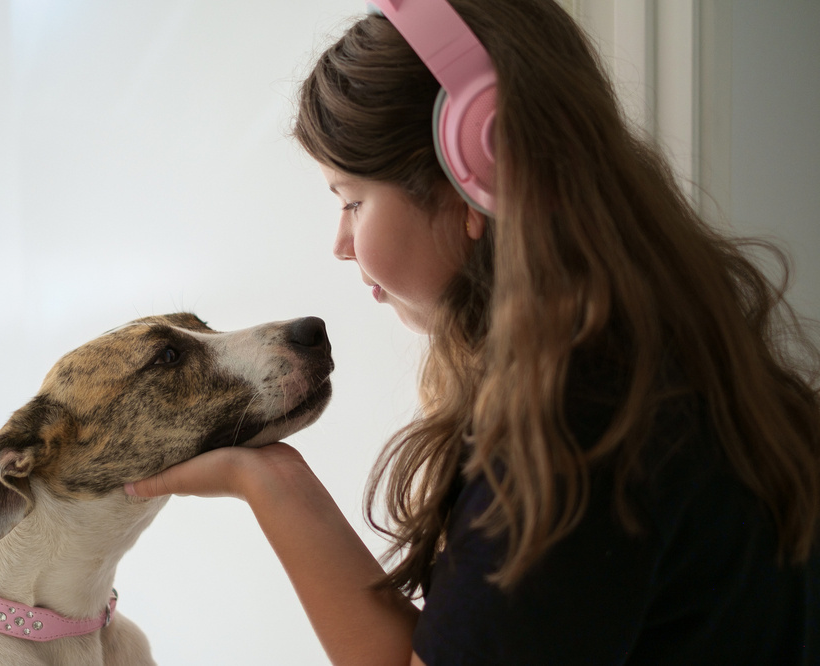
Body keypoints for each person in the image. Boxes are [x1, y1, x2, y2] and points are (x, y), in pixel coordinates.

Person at [125, 0, 820, 663]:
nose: (340, 242)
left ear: (473, 173)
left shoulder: (573, 430)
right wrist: (269, 473)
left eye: (352, 199)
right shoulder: (655, 360)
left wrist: (268, 488)